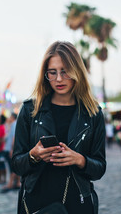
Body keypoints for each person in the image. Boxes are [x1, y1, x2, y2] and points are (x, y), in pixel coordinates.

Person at [12, 41, 106, 214]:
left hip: (78, 204)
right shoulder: (30, 111)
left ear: (76, 71)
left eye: (65, 71)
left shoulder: (93, 114)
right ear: (45, 74)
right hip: (37, 204)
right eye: (52, 73)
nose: (59, 79)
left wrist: (80, 160)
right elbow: (17, 165)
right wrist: (34, 155)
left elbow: (99, 168)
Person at [1, 113, 21, 193]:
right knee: (15, 166)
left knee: (12, 167)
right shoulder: (13, 124)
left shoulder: (14, 124)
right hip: (12, 148)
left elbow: (14, 137)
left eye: (9, 116)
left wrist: (12, 149)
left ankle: (11, 184)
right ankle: (17, 183)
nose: (8, 118)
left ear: (12, 117)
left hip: (10, 149)